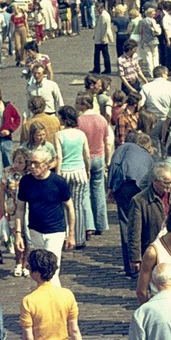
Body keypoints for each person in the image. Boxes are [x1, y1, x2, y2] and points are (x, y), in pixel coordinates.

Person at [19, 249, 90, 340]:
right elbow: (74, 330)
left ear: (36, 272)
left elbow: (28, 338)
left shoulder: (28, 301)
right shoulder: (67, 295)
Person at [16, 149, 76, 287]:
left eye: (36, 163)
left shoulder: (58, 182)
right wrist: (19, 234)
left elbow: (70, 207)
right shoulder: (26, 181)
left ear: (47, 164)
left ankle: (57, 302)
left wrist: (71, 234)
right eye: (30, 163)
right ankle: (44, 302)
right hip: (34, 231)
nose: (32, 167)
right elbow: (20, 209)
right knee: (39, 271)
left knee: (51, 270)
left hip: (55, 231)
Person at [108, 133, 156, 278]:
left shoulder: (124, 148)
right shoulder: (148, 156)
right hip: (141, 188)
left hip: (123, 186)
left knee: (126, 224)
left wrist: (110, 188)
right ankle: (146, 263)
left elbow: (114, 165)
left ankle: (131, 266)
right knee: (142, 223)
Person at [126, 163, 171, 278]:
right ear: (155, 181)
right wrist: (135, 257)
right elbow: (134, 231)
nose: (170, 186)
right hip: (153, 250)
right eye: (166, 183)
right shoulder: (139, 201)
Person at [54, 107, 92, 249]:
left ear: (63, 119)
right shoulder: (81, 134)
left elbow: (59, 156)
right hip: (79, 171)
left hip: (65, 172)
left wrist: (57, 175)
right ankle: (79, 237)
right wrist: (88, 169)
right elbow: (86, 155)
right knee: (78, 206)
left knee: (65, 206)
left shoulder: (59, 135)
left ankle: (66, 237)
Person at [76, 93, 110, 237]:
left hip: (85, 159)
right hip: (99, 157)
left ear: (84, 104)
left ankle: (89, 225)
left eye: (78, 103)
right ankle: (100, 223)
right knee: (98, 191)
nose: (77, 105)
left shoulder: (79, 121)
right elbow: (107, 142)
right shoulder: (101, 119)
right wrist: (107, 160)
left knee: (84, 193)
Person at [0, 148, 29, 277]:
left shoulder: (29, 174)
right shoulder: (7, 172)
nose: (17, 165)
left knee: (27, 237)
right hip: (13, 207)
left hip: (28, 208)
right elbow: (2, 190)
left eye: (21, 162)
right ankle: (18, 262)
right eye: (16, 161)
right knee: (16, 235)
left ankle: (26, 263)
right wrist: (2, 207)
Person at [92, 1, 115, 75]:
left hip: (101, 38)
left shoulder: (103, 16)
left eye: (98, 8)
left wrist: (103, 38)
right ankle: (104, 69)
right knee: (104, 54)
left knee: (100, 54)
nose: (97, 10)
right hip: (100, 36)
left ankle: (99, 69)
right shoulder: (103, 14)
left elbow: (104, 28)